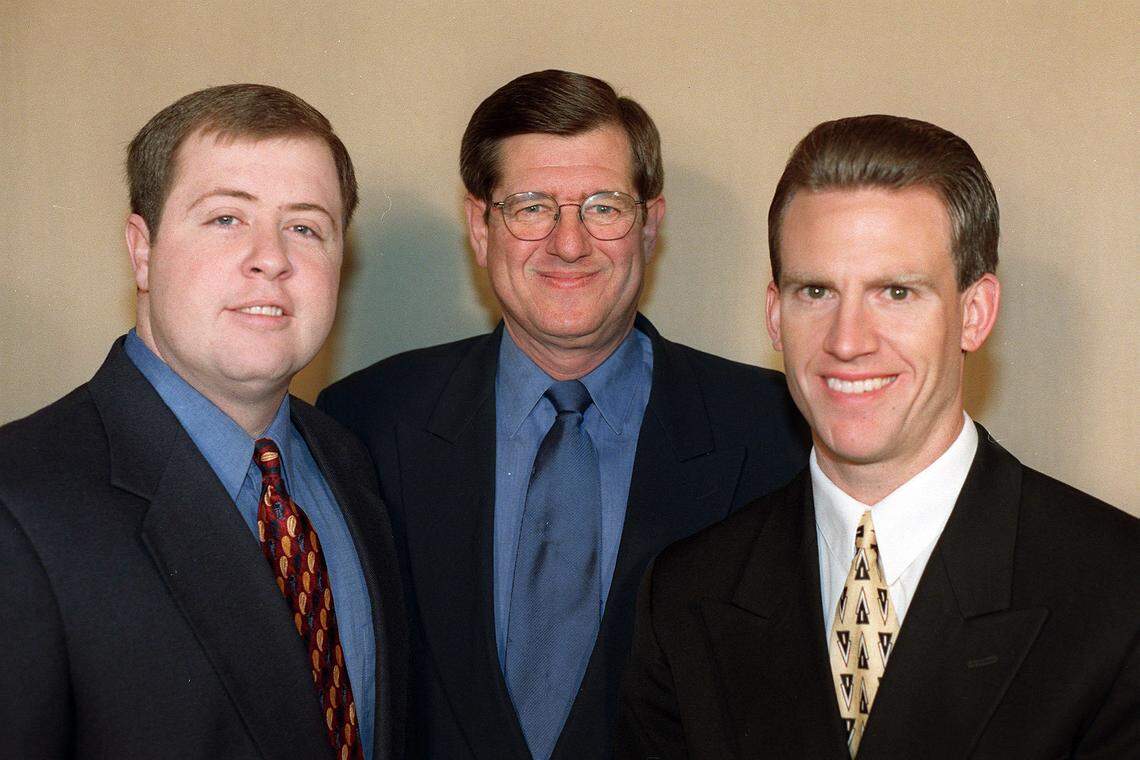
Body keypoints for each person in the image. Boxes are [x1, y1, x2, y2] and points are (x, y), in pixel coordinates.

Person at [317, 70, 808, 760]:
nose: (569, 244)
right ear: (480, 227)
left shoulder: (779, 434)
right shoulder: (365, 423)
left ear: (650, 225)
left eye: (603, 207)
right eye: (531, 207)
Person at [616, 114, 1140, 759]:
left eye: (896, 292)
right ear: (775, 317)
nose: (847, 341)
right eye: (816, 291)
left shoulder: (1118, 592)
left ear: (974, 314)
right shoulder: (685, 596)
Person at [0, 84, 407, 760]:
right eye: (226, 219)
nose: (271, 258)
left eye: (306, 227)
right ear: (142, 249)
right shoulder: (19, 504)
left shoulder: (350, 460)